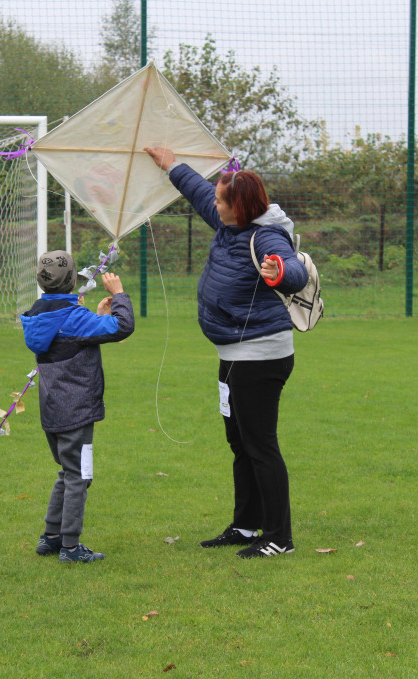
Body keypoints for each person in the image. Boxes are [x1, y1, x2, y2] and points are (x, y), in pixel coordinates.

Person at [144, 146, 307, 559]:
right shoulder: (228, 222)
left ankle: (278, 538)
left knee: (260, 444)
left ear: (241, 206)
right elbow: (198, 190)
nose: (213, 206)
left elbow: (296, 270)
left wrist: (280, 272)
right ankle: (245, 526)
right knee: (239, 442)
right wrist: (170, 164)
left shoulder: (266, 235)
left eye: (221, 202)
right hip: (234, 356)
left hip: (261, 357)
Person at [20, 250, 135, 563]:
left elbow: (76, 335)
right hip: (76, 411)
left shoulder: (39, 315)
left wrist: (96, 315)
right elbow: (123, 326)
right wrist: (119, 295)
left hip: (53, 409)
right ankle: (70, 547)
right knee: (79, 476)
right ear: (72, 281)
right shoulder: (74, 318)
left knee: (68, 472)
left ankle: (51, 537)